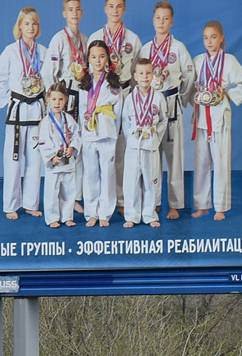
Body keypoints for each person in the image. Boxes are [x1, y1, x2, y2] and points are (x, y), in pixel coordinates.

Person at [0, 6, 48, 220]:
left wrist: (48, 106)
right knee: (14, 159)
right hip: (17, 112)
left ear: (38, 27)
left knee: (35, 160)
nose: (30, 27)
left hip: (37, 113)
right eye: (26, 23)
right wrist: (9, 101)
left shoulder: (44, 51)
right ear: (19, 26)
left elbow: (51, 80)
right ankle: (11, 204)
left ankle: (31, 203)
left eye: (34, 23)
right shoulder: (10, 51)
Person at [191, 20, 242, 221]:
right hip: (201, 117)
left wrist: (228, 95)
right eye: (205, 38)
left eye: (213, 37)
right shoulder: (198, 61)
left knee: (220, 162)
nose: (209, 41)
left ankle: (221, 207)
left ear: (221, 38)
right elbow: (189, 84)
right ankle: (202, 205)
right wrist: (195, 99)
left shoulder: (229, 61)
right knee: (201, 162)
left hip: (219, 117)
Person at [138, 1, 194, 220]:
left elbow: (189, 76)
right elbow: (139, 79)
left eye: (165, 18)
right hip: (150, 107)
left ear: (171, 21)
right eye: (158, 18)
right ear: (153, 20)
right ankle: (154, 201)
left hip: (171, 104)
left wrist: (181, 98)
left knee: (174, 157)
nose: (161, 22)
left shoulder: (178, 47)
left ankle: (175, 204)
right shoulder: (145, 49)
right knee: (151, 158)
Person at [89, 0, 141, 212]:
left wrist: (137, 101)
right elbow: (88, 71)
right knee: (102, 151)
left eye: (119, 6)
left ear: (124, 9)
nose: (115, 10)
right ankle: (101, 201)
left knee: (124, 150)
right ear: (105, 8)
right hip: (102, 98)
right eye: (111, 6)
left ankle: (122, 199)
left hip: (126, 92)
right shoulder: (94, 38)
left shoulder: (133, 39)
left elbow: (138, 72)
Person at [41, 0, 86, 213]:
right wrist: (55, 98)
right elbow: (48, 72)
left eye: (77, 9)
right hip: (64, 96)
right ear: (64, 13)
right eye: (70, 9)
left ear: (82, 12)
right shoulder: (59, 39)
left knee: (76, 144)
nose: (74, 13)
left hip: (81, 95)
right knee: (62, 140)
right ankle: (60, 199)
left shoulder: (85, 40)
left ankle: (74, 196)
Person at [77, 40, 123, 227]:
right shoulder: (84, 83)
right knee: (90, 174)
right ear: (88, 59)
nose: (97, 61)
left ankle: (105, 212)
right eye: (94, 57)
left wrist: (115, 130)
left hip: (107, 133)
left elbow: (118, 112)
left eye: (101, 56)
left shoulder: (113, 83)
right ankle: (91, 213)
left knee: (107, 174)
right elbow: (81, 110)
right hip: (89, 133)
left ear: (107, 59)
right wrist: (83, 130)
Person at [120, 58, 167, 228]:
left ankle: (150, 214)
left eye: (148, 73)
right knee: (131, 180)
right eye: (141, 73)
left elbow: (163, 121)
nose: (145, 76)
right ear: (135, 76)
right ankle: (132, 216)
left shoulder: (159, 97)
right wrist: (132, 138)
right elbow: (125, 122)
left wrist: (154, 137)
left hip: (151, 144)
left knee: (151, 179)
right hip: (134, 144)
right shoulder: (130, 98)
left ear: (153, 74)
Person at [37, 81, 79, 227]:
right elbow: (43, 143)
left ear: (66, 101)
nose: (57, 103)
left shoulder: (69, 119)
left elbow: (76, 135)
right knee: (52, 192)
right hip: (55, 163)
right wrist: (52, 157)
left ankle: (67, 216)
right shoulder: (46, 122)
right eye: (54, 99)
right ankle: (52, 218)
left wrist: (73, 147)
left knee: (69, 191)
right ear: (48, 100)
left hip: (68, 162)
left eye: (61, 99)